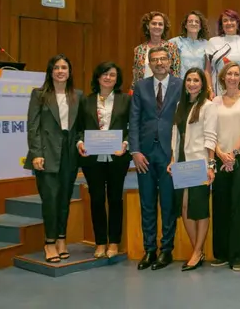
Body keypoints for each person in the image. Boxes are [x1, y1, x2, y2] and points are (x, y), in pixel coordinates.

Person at [26, 54, 84, 263]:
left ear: (69, 72)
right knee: (50, 199)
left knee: (64, 199)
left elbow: (80, 127)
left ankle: (61, 239)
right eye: (56, 68)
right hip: (46, 152)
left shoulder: (78, 95)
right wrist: (36, 153)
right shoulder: (39, 94)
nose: (60, 71)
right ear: (50, 72)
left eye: (64, 68)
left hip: (69, 153)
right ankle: (49, 243)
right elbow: (33, 126)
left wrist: (80, 142)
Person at [129, 46, 183, 271]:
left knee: (168, 203)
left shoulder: (181, 85)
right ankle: (149, 249)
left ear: (170, 62)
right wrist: (135, 151)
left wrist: (178, 154)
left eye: (163, 59)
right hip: (145, 154)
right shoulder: (140, 86)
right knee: (147, 203)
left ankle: (166, 250)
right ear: (149, 64)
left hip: (170, 154)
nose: (159, 63)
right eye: (154, 60)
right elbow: (134, 120)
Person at [76, 62, 131, 259]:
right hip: (92, 158)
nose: (108, 78)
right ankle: (100, 242)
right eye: (104, 74)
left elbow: (133, 126)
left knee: (115, 199)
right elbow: (79, 128)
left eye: (112, 75)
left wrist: (126, 143)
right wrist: (80, 142)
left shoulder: (126, 100)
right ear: (98, 77)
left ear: (117, 79)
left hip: (118, 157)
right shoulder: (86, 101)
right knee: (97, 199)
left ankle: (114, 242)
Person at [167, 68, 217, 271]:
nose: (192, 83)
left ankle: (196, 252)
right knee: (185, 207)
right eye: (189, 80)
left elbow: (211, 137)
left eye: (196, 80)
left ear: (202, 84)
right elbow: (175, 135)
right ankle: (198, 249)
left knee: (200, 208)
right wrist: (172, 159)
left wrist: (211, 166)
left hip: (199, 163)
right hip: (182, 162)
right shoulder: (180, 105)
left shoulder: (208, 106)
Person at [211, 62, 240, 270]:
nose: (232, 77)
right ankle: (221, 253)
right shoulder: (215, 101)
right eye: (229, 73)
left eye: (236, 74)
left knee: (239, 206)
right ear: (223, 77)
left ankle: (238, 256)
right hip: (220, 157)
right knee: (220, 204)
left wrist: (233, 154)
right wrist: (221, 154)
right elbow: (210, 130)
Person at [205, 9, 240, 95]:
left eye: (232, 20)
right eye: (225, 20)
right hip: (220, 91)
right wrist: (210, 90)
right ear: (221, 25)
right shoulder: (213, 42)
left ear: (237, 23)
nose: (229, 23)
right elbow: (207, 70)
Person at [132, 11, 181, 92]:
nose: (157, 26)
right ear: (148, 26)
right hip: (144, 92)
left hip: (166, 92)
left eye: (160, 24)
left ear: (164, 27)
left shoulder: (172, 48)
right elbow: (136, 76)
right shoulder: (139, 50)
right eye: (154, 23)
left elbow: (176, 73)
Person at [169, 11, 210, 79]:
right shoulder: (174, 42)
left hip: (199, 82)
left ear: (200, 26)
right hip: (180, 82)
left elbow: (208, 69)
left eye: (197, 22)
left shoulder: (207, 44)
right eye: (190, 21)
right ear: (185, 25)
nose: (193, 24)